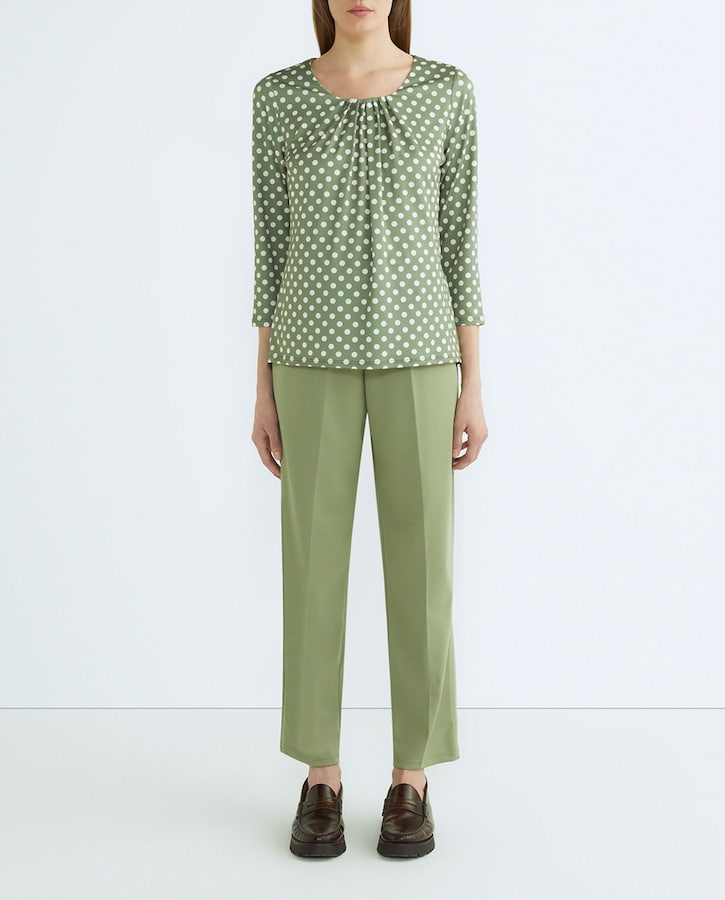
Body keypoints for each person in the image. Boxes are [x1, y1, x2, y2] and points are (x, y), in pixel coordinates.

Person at [250, 0, 488, 859]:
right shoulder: (278, 96)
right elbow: (269, 246)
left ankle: (410, 776)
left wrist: (471, 383)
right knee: (312, 567)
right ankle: (320, 773)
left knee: (422, 569)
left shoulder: (447, 91)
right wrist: (261, 387)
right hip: (306, 357)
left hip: (420, 356)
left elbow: (460, 242)